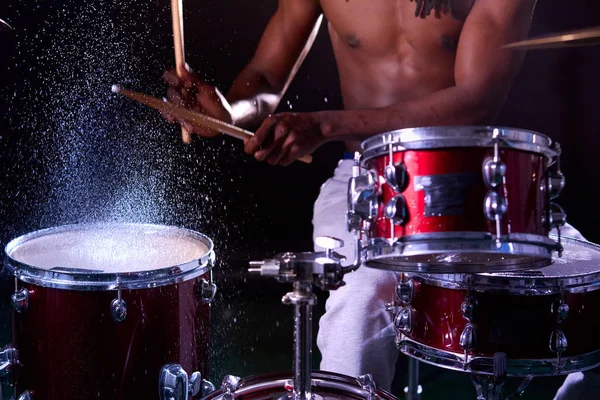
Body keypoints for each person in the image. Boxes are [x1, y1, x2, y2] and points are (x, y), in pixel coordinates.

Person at [163, 0, 593, 397]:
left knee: (589, 291)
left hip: (479, 179)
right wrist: (228, 112)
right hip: (368, 177)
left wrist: (326, 126)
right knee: (362, 295)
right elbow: (267, 77)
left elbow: (473, 100)